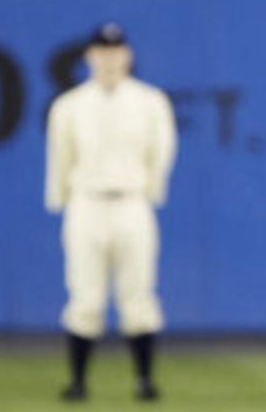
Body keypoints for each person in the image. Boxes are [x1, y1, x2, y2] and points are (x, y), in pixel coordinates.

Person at [45, 22, 177, 403]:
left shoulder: (149, 101)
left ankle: (144, 380)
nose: (109, 58)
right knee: (85, 297)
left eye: (116, 51)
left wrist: (150, 191)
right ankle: (78, 381)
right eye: (102, 51)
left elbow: (161, 152)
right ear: (89, 56)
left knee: (139, 296)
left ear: (128, 55)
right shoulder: (69, 105)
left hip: (131, 203)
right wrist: (62, 198)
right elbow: (60, 158)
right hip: (86, 203)